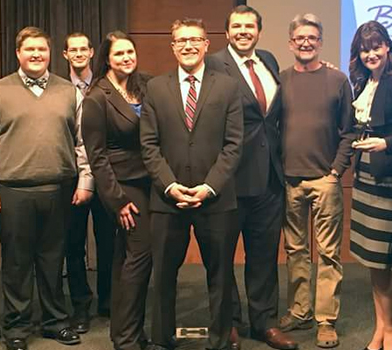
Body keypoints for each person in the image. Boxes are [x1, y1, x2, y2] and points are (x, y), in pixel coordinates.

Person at [0, 26, 94, 350]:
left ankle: (55, 322)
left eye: (42, 49)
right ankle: (16, 327)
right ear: (18, 54)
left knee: (54, 260)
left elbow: (83, 142)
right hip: (12, 191)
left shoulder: (70, 92)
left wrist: (86, 180)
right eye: (30, 50)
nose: (36, 54)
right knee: (16, 263)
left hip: (60, 188)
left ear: (50, 53)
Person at [140, 18, 243, 350]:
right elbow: (149, 146)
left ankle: (220, 341)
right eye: (180, 40)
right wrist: (170, 186)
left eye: (194, 40)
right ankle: (162, 339)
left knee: (221, 276)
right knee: (164, 276)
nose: (187, 45)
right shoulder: (155, 88)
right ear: (172, 46)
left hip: (216, 198)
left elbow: (233, 145)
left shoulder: (227, 87)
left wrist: (208, 186)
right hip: (167, 199)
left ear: (205, 44)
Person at [206, 5, 296, 350]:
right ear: (227, 32)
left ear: (258, 31)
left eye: (250, 26)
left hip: (270, 179)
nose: (244, 31)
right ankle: (228, 322)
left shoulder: (269, 61)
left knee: (263, 256)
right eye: (237, 26)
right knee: (222, 256)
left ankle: (264, 323)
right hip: (229, 179)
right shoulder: (213, 64)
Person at [279, 13, 354, 349]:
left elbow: (348, 132)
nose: (306, 43)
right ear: (291, 43)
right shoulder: (280, 80)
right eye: (300, 38)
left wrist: (336, 171)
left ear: (320, 41)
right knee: (295, 250)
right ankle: (300, 311)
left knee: (328, 254)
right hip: (290, 181)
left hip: (325, 179)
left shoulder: (338, 80)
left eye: (312, 37)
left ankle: (326, 320)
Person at [348, 20, 392, 350]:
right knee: (371, 264)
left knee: (382, 260)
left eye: (376, 46)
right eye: (365, 49)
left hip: (391, 181)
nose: (371, 53)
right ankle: (380, 329)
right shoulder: (364, 81)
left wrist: (384, 144)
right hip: (364, 180)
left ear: (388, 46)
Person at [81, 30, 153, 350]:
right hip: (124, 189)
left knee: (127, 258)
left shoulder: (145, 86)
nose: (126, 58)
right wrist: (117, 201)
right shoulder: (98, 97)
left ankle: (127, 333)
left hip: (150, 182)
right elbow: (97, 157)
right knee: (139, 255)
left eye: (130, 52)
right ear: (107, 59)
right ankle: (126, 337)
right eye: (119, 54)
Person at [62, 31, 115, 333]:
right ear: (65, 55)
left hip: (106, 174)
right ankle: (80, 304)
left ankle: (107, 300)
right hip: (71, 178)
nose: (80, 53)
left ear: (93, 52)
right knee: (73, 242)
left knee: (108, 241)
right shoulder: (57, 89)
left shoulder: (107, 86)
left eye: (84, 48)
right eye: (73, 49)